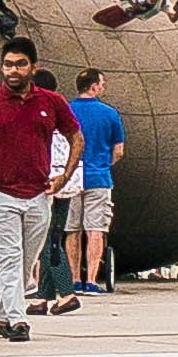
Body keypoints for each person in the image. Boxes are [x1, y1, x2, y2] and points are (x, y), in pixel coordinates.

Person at [0, 36, 80, 342]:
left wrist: (65, 176)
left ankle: (2, 317)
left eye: (19, 64)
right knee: (9, 257)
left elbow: (76, 137)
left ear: (33, 67)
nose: (13, 71)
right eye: (7, 65)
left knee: (27, 260)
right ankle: (18, 320)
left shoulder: (51, 102)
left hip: (39, 193)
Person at [65, 72, 125, 297]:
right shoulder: (109, 114)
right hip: (98, 177)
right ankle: (91, 280)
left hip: (70, 177)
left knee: (72, 229)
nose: (103, 87)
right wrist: (103, 165)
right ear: (94, 87)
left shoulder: (67, 111)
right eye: (102, 84)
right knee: (95, 229)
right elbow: (118, 150)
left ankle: (73, 279)